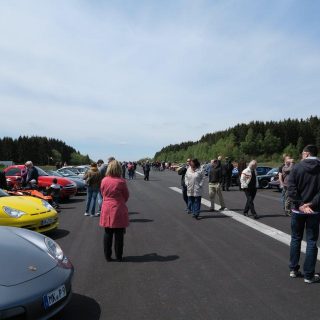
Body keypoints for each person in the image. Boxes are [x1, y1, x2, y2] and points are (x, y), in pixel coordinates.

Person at [288, 144, 320, 283]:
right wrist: (311, 203)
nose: (301, 155)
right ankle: (308, 275)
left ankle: (293, 269)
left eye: (302, 153)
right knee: (312, 241)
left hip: (298, 210)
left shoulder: (296, 168)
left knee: (296, 238)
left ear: (306, 154)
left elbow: (291, 189)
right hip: (314, 210)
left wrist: (301, 204)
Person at [100, 160, 129, 262]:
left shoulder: (104, 180)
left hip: (106, 207)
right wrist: (120, 201)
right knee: (119, 234)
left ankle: (107, 256)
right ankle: (119, 256)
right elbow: (126, 196)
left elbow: (102, 193)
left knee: (108, 232)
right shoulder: (121, 181)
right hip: (118, 207)